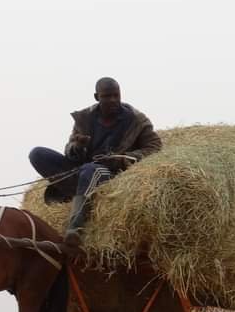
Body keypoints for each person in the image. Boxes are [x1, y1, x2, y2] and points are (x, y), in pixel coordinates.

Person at [28, 77, 162, 246]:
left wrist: (124, 158)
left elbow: (154, 146)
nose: (113, 100)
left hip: (111, 174)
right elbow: (70, 151)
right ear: (96, 97)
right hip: (81, 170)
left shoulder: (136, 120)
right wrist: (77, 146)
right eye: (107, 96)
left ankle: (74, 229)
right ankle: (74, 191)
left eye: (116, 95)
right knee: (37, 154)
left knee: (91, 170)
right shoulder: (84, 119)